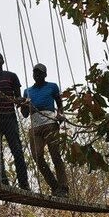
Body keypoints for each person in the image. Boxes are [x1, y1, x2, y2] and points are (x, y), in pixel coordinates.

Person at [22, 63, 68, 197]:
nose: (37, 75)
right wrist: (24, 104)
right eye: (35, 72)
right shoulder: (27, 91)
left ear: (45, 74)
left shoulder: (52, 86)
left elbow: (59, 104)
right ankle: (55, 186)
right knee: (37, 156)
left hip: (50, 123)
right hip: (34, 126)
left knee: (55, 155)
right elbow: (25, 114)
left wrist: (60, 114)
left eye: (40, 73)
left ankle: (64, 187)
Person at [0, 52, 29, 189]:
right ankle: (2, 179)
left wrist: (21, 101)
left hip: (9, 117)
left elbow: (18, 97)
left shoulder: (11, 76)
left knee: (16, 149)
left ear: (2, 61)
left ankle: (23, 182)